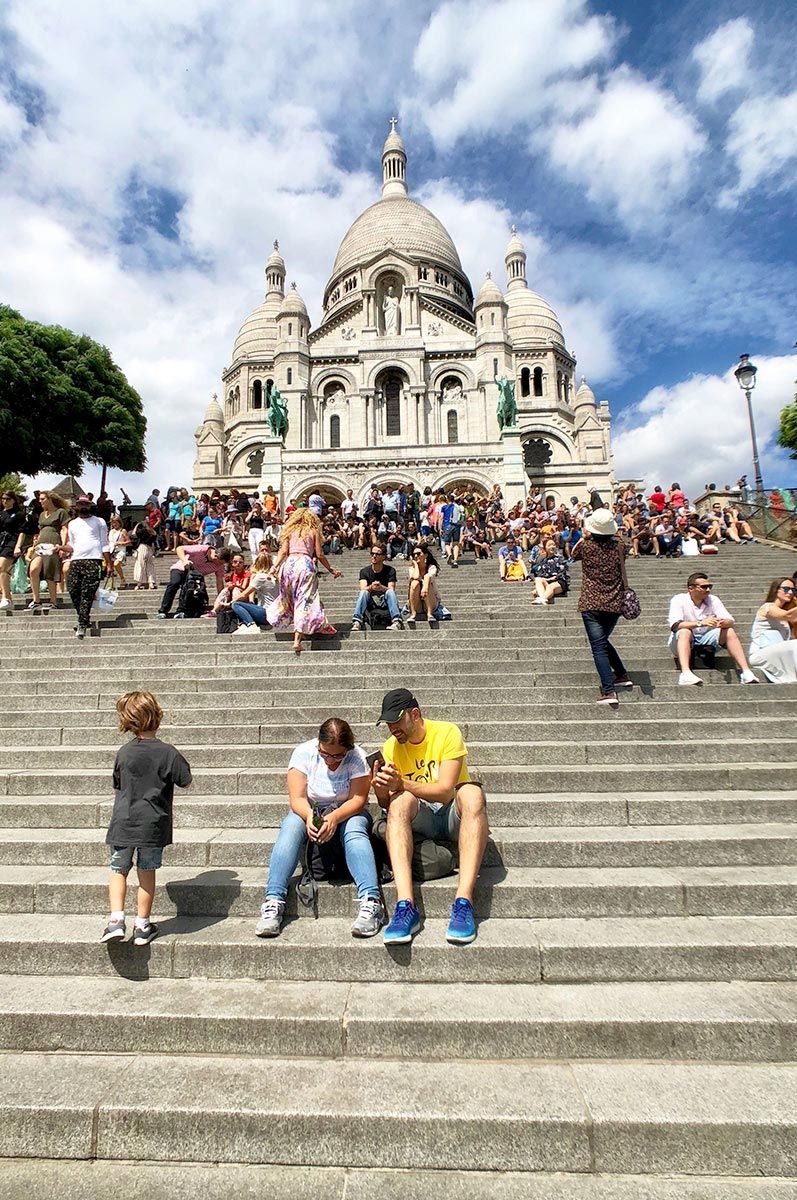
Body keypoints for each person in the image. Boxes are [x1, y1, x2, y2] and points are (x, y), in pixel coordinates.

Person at [372, 689, 488, 946]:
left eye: (397, 721)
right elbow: (387, 803)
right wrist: (381, 790)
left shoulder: (447, 733)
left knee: (472, 793)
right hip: (421, 817)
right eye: (388, 723)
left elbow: (445, 791)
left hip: (451, 814)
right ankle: (405, 906)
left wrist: (402, 783)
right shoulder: (391, 747)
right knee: (398, 802)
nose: (392, 729)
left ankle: (464, 901)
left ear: (415, 714)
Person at [255, 717, 385, 939]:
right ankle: (273, 899)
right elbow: (297, 798)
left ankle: (371, 900)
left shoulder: (357, 757)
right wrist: (309, 817)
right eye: (325, 754)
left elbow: (358, 799)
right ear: (318, 745)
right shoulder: (303, 753)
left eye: (338, 756)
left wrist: (334, 817)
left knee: (354, 829)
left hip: (348, 811)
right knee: (290, 826)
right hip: (311, 809)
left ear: (348, 749)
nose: (331, 761)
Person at [100, 691, 192, 946]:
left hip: (123, 823)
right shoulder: (168, 753)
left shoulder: (124, 752)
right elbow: (185, 780)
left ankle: (116, 920)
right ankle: (142, 925)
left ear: (127, 721)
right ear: (157, 717)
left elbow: (117, 785)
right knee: (146, 871)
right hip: (152, 825)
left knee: (118, 870)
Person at [571, 508, 633, 707]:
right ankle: (621, 674)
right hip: (614, 602)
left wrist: (584, 536)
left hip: (591, 602)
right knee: (602, 641)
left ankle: (609, 691)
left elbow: (571, 554)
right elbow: (625, 550)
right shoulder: (620, 546)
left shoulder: (585, 546)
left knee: (598, 646)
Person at [266, 508, 341, 654]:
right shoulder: (313, 531)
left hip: (289, 565)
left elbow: (283, 552)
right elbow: (319, 554)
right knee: (304, 600)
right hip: (305, 565)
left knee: (291, 599)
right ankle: (297, 639)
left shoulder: (290, 530)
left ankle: (307, 626)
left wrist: (274, 567)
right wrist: (331, 569)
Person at [667, 571, 759, 686]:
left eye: (710, 586)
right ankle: (685, 673)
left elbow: (730, 621)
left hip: (706, 638)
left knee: (729, 631)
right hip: (681, 641)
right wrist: (700, 623)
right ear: (691, 588)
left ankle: (746, 672)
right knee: (685, 631)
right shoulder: (679, 599)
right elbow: (675, 625)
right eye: (704, 587)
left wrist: (721, 623)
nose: (708, 590)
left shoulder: (713, 600)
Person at [61, 495, 113, 638]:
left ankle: (82, 623)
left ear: (90, 505)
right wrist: (61, 548)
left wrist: (109, 564)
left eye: (86, 504)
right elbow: (72, 544)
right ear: (77, 506)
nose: (83, 506)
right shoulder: (72, 524)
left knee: (87, 593)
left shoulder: (99, 521)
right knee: (73, 590)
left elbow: (104, 543)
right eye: (80, 504)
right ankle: (84, 617)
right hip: (76, 559)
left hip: (94, 560)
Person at [157, 543, 232, 618]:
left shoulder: (220, 566)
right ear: (216, 556)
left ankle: (181, 610)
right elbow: (180, 548)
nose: (220, 565)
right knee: (174, 583)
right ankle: (163, 610)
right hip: (181, 568)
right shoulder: (202, 549)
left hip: (195, 576)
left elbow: (219, 582)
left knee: (190, 591)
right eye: (220, 562)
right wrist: (184, 560)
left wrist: (221, 597)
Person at [748, 577, 797, 683]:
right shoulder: (768, 607)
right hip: (760, 655)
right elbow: (787, 615)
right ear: (776, 590)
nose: (790, 592)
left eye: (793, 590)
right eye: (786, 589)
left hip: (778, 654)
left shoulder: (786, 615)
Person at [27, 491, 70, 611]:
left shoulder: (60, 512)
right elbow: (40, 530)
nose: (40, 501)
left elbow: (64, 529)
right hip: (41, 545)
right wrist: (35, 543)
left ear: (50, 499)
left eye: (42, 499)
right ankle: (36, 600)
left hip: (53, 543)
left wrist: (62, 546)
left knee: (49, 571)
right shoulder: (42, 515)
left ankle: (53, 601)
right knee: (33, 569)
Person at [351, 543, 403, 631]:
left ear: (383, 557)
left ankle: (397, 621)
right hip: (370, 602)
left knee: (390, 592)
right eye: (372, 553)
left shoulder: (390, 570)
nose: (374, 556)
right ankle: (357, 621)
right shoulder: (364, 571)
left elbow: (391, 588)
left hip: (384, 601)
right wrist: (371, 587)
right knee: (364, 592)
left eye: (377, 554)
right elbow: (363, 588)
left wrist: (381, 587)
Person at [231, 550, 279, 635]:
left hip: (266, 613)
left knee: (236, 604)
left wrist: (229, 602)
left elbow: (244, 595)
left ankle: (251, 625)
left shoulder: (261, 577)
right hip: (276, 613)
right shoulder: (276, 578)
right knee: (250, 605)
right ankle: (244, 625)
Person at [0, 491, 26, 611]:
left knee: (2, 567)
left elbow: (22, 531)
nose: (5, 501)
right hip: (1, 541)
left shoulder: (19, 514)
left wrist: (18, 546)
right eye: (3, 498)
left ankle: (6, 598)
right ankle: (6, 597)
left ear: (13, 500)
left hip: (12, 541)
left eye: (8, 499)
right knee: (3, 571)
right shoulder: (1, 514)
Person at [407, 545, 441, 626]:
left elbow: (428, 577)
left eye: (418, 554)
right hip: (417, 602)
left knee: (427, 579)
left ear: (425, 555)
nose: (416, 556)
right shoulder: (411, 568)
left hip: (431, 601)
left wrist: (425, 588)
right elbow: (415, 576)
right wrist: (415, 564)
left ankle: (429, 614)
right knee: (415, 583)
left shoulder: (431, 567)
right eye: (414, 554)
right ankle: (413, 614)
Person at [531, 537, 570, 605]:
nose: (552, 547)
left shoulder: (560, 558)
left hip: (559, 582)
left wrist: (549, 579)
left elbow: (562, 573)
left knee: (549, 587)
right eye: (549, 545)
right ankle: (544, 598)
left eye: (554, 545)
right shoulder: (542, 560)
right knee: (537, 579)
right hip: (547, 582)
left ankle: (541, 598)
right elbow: (539, 574)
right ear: (545, 548)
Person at [130, 516, 158, 589]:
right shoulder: (153, 532)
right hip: (149, 549)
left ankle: (139, 583)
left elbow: (133, 535)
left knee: (140, 565)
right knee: (150, 566)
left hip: (142, 548)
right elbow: (154, 540)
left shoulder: (142, 531)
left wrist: (136, 525)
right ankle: (151, 582)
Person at [108, 515, 131, 587]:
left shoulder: (123, 531)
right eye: (113, 522)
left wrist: (120, 543)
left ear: (119, 522)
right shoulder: (111, 531)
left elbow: (129, 542)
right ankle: (110, 584)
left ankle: (122, 578)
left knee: (116, 564)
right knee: (111, 567)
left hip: (120, 550)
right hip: (111, 550)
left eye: (116, 522)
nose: (114, 524)